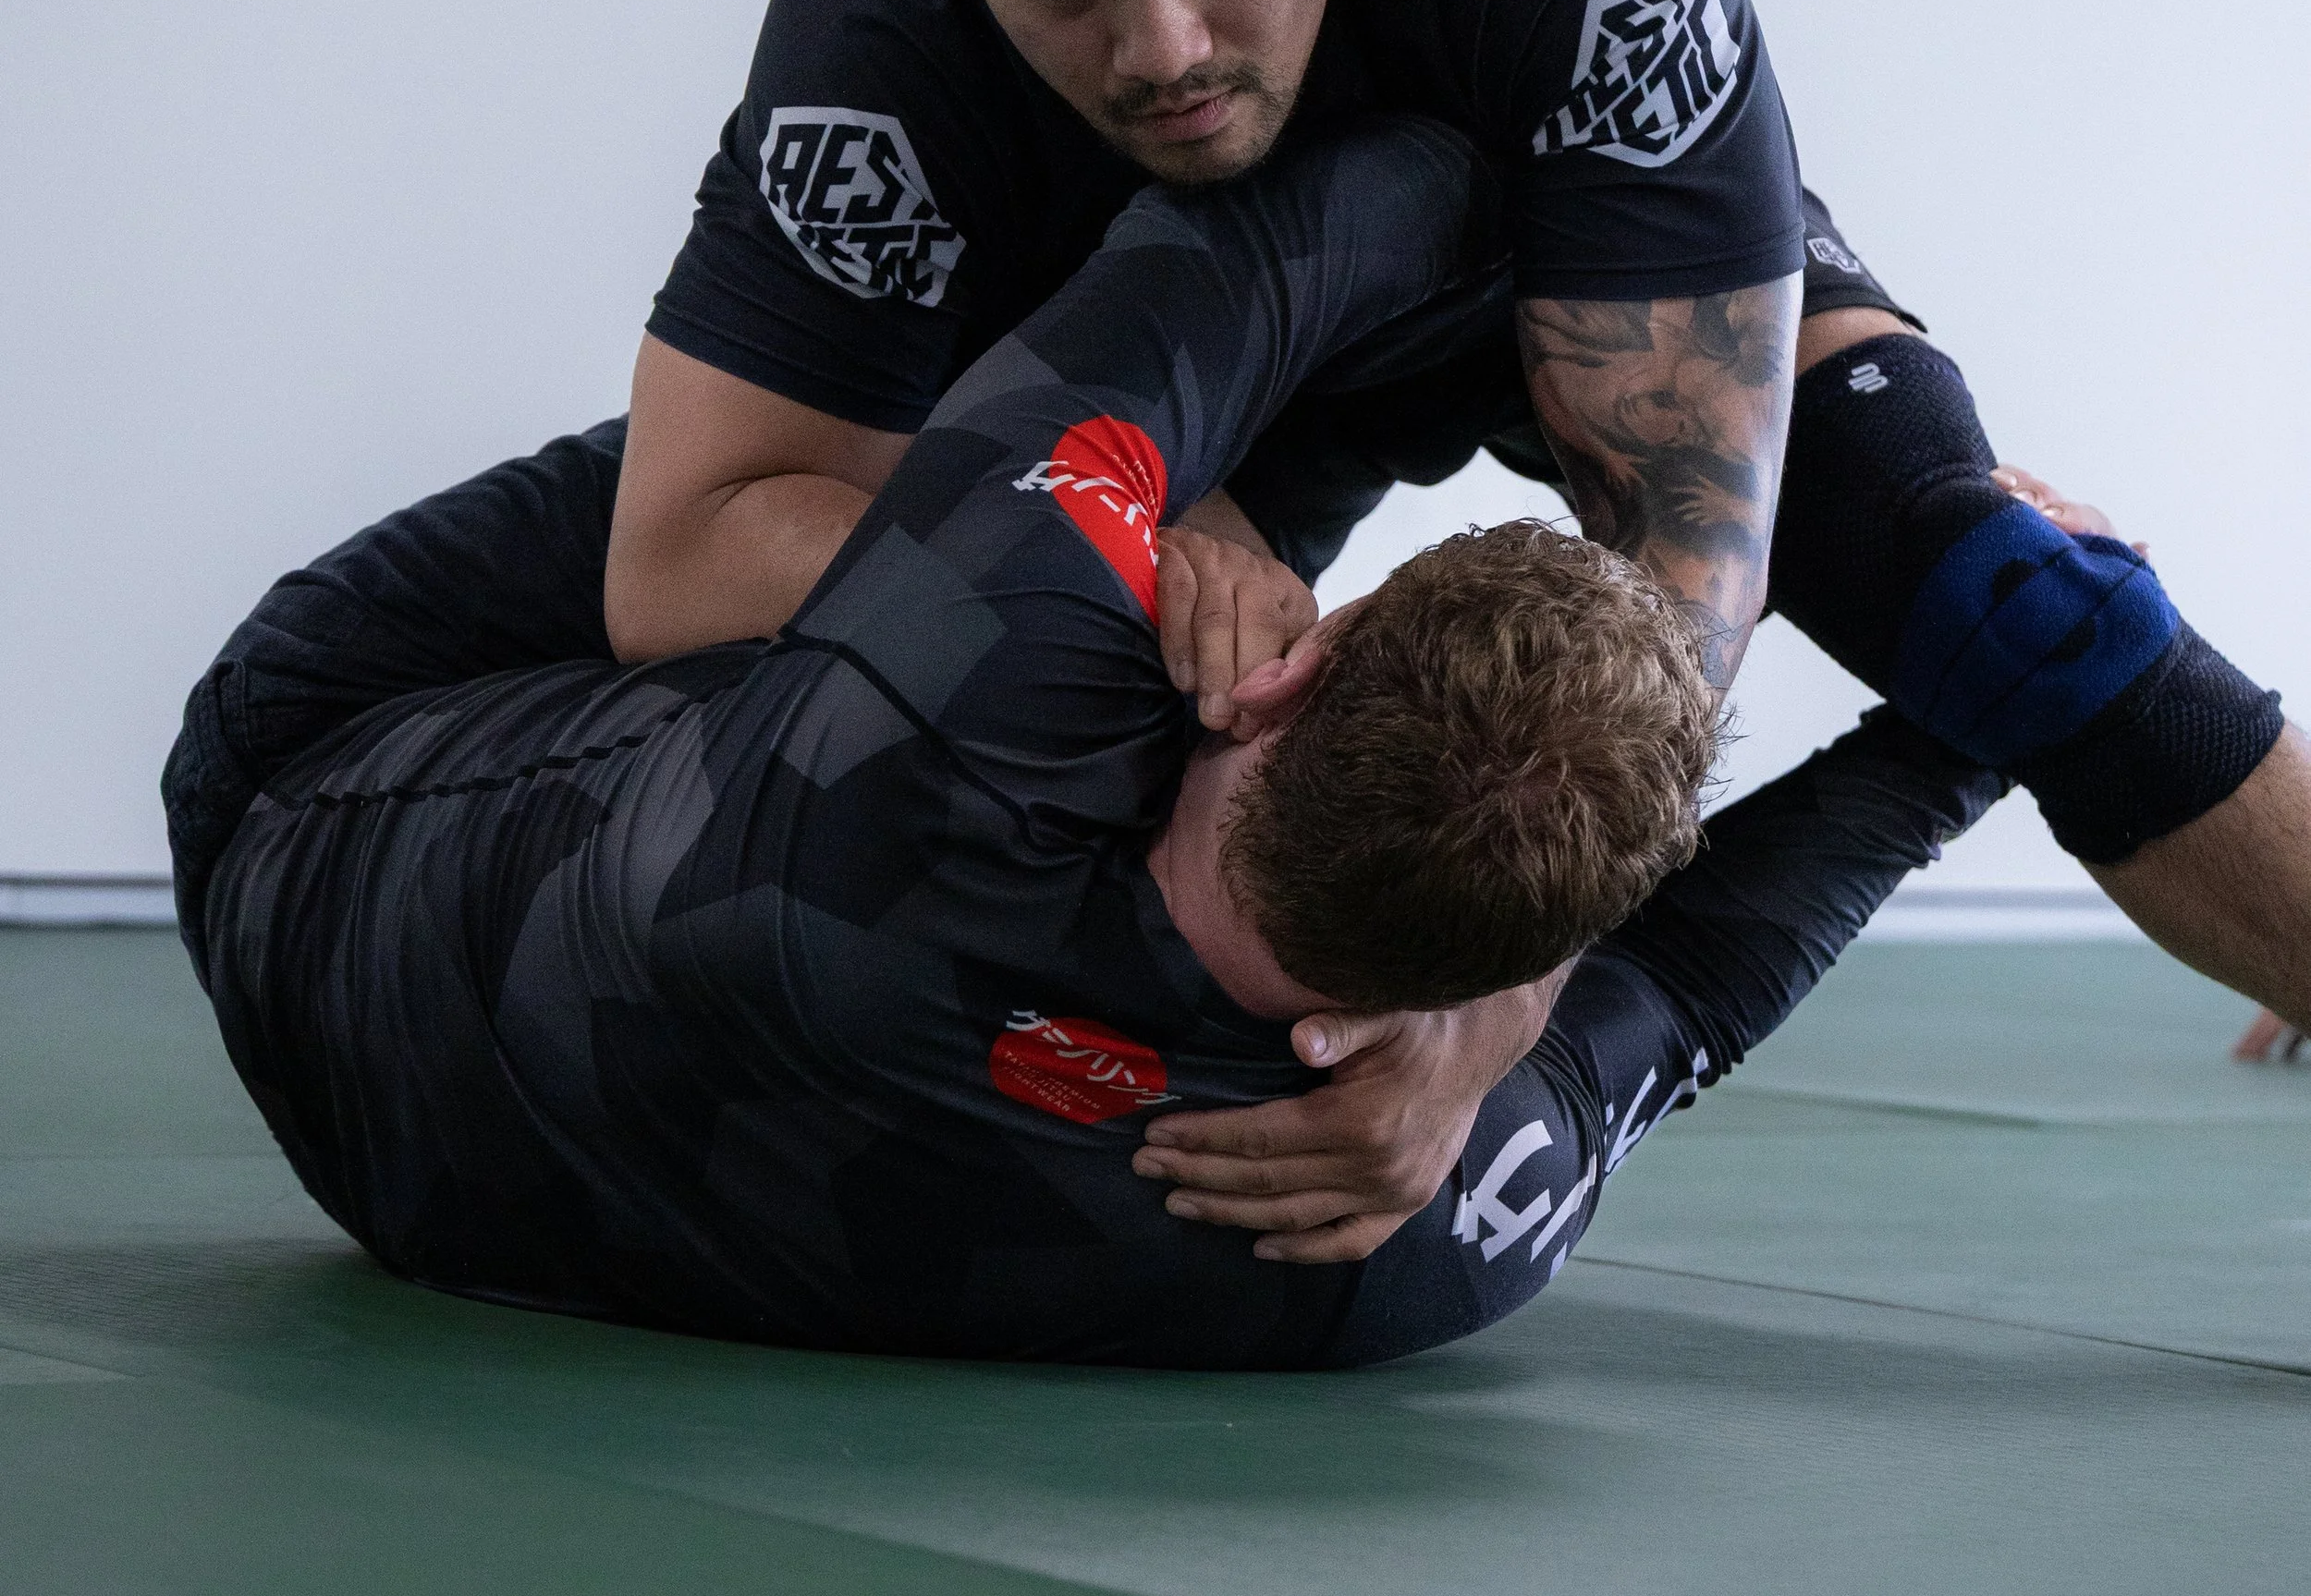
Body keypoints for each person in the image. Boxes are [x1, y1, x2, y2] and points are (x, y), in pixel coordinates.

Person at [604, 0, 2307, 1103]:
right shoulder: (876, 32)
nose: (1161, 50)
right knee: (1032, 726)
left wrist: (1502, 995)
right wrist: (1101, 532)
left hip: (1560, 260)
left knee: (2001, 594)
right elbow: (680, 555)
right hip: (1194, 397)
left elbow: (1683, 561)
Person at [165, 120, 1996, 1370]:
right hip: (420, 1182)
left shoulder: (975, 665)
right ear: (1516, 973)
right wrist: (1964, 731)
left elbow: (1264, 235)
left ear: (1285, 668)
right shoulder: (1410, 1246)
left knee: (974, 434)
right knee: (1128, 471)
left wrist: (1633, 96)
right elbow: (1691, 986)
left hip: (305, 804)